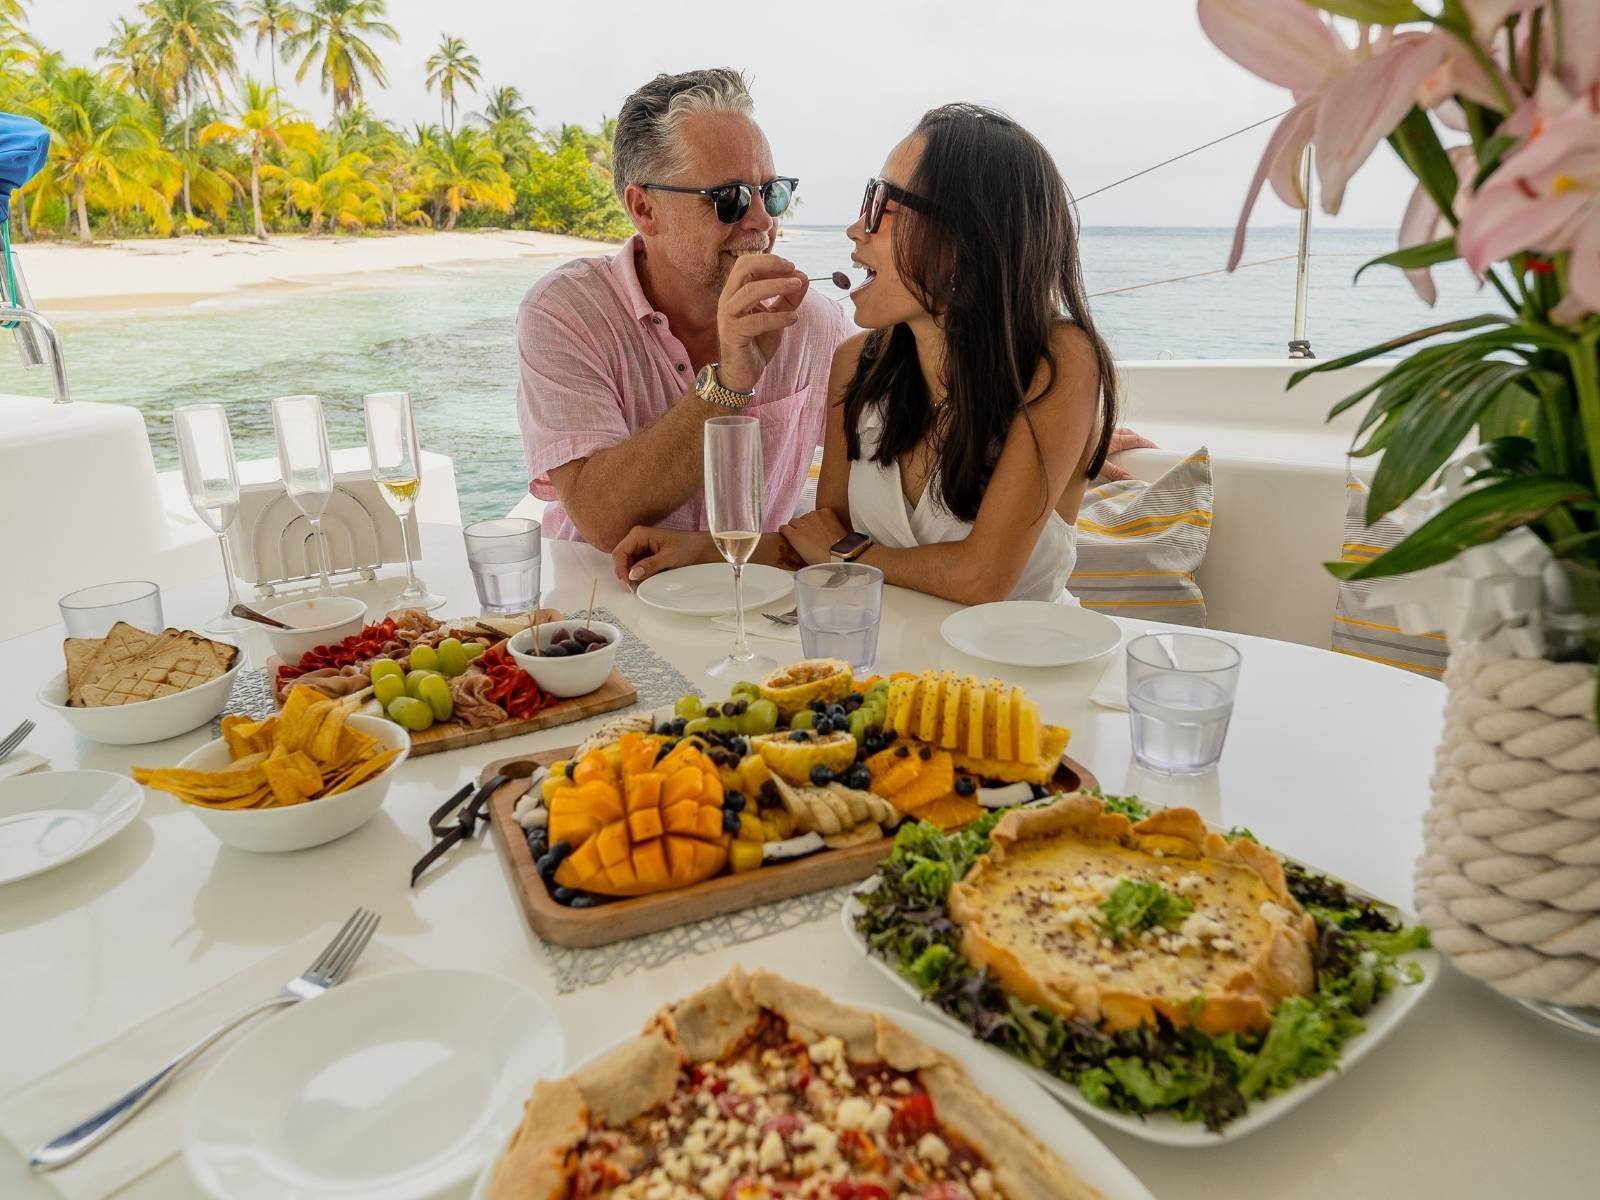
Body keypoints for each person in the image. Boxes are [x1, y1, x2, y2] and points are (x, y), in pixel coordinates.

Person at [613, 103, 1121, 605]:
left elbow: (981, 576)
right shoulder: (858, 365)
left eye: (880, 204)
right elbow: (821, 540)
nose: (856, 229)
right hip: (887, 670)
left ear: (965, 236)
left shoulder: (1061, 361)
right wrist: (701, 549)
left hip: (1021, 679)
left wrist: (849, 554)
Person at [515, 68, 848, 550]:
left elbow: (882, 472)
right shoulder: (565, 313)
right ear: (644, 209)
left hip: (750, 601)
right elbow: (602, 520)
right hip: (601, 606)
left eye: (772, 193)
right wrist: (729, 383)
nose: (762, 221)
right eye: (729, 199)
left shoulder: (813, 323)